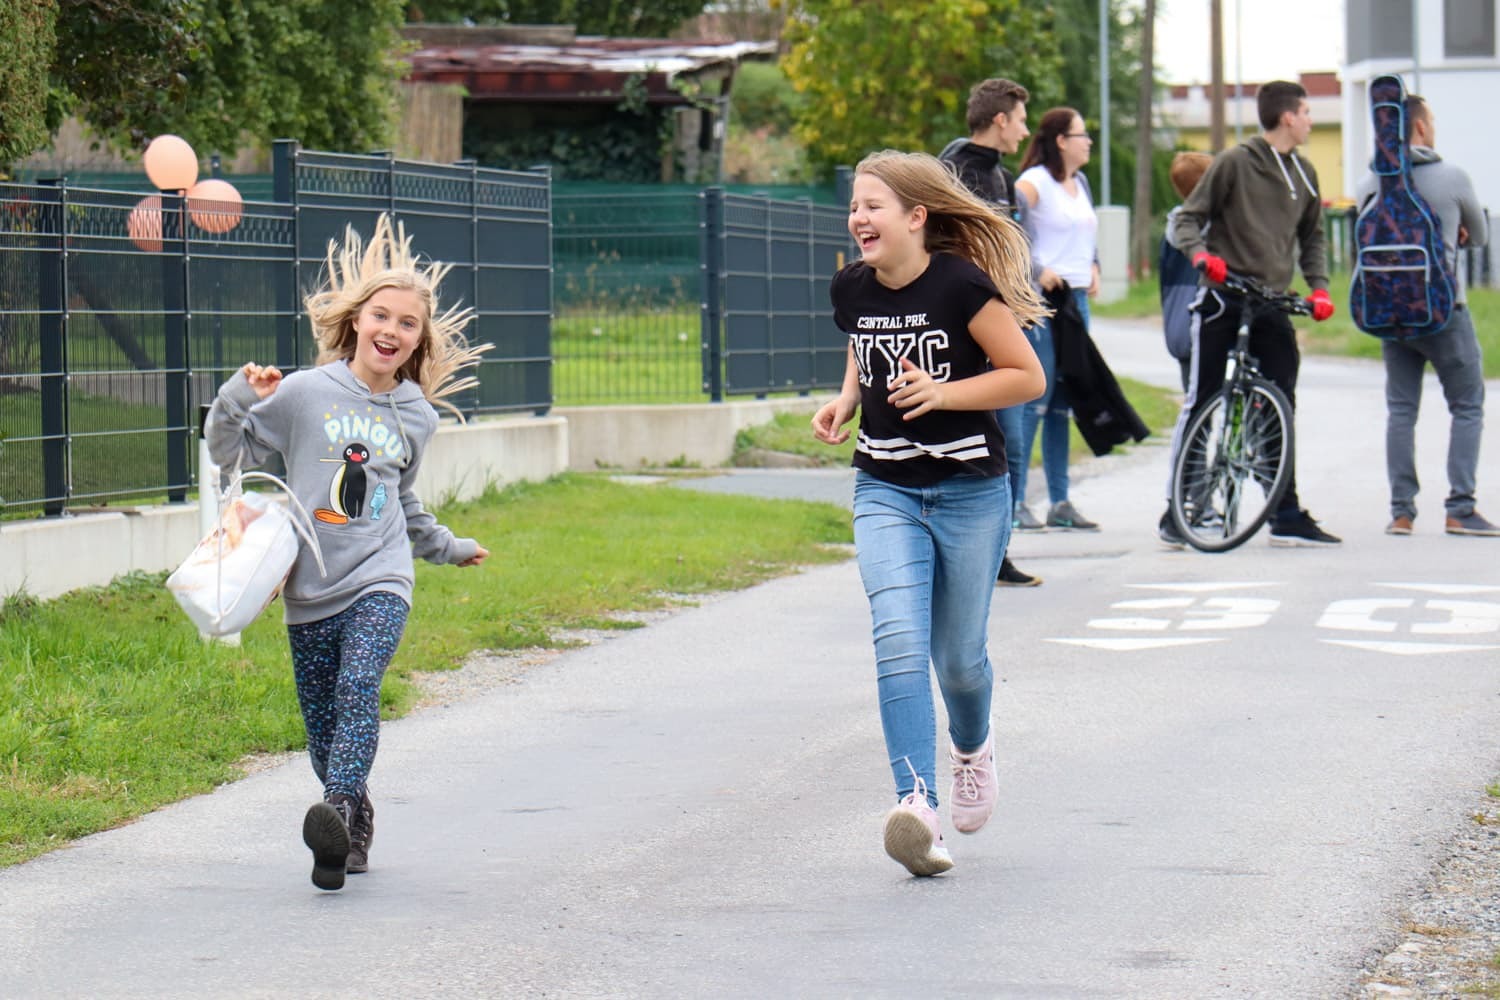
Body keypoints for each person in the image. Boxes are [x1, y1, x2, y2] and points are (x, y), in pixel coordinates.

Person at [207, 214, 491, 891]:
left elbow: (403, 500)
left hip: (380, 577)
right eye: (381, 316)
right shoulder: (304, 392)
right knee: (323, 728)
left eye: (407, 323)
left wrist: (446, 548)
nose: (392, 330)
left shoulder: (416, 415)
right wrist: (239, 395)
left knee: (358, 687)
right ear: (357, 321)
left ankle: (335, 808)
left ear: (419, 339)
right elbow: (226, 452)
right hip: (308, 587)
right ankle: (349, 829)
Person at [811, 150, 1046, 877]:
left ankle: (972, 749)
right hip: (885, 486)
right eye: (855, 206)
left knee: (960, 661)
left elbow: (1026, 377)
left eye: (873, 206)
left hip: (970, 491)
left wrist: (945, 394)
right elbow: (863, 340)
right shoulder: (851, 286)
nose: (858, 218)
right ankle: (917, 806)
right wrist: (849, 396)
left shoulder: (960, 286)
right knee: (898, 640)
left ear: (916, 217)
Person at [1163, 80, 1340, 548]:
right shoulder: (1235, 163)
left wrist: (1319, 288)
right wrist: (1202, 257)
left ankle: (1285, 512)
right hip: (1224, 296)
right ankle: (1176, 509)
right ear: (1287, 117)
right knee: (1202, 398)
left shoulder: (1304, 173)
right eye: (1306, 112)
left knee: (1281, 402)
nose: (1309, 121)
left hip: (1272, 301)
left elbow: (1313, 237)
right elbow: (1187, 218)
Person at [1353, 95, 1497, 537]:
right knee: (1467, 406)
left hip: (1389, 312)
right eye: (1430, 120)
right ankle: (1460, 508)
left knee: (1401, 410)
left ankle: (1401, 512)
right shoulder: (1452, 177)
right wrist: (1458, 230)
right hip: (1443, 310)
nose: (1433, 127)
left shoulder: (1370, 182)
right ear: (1418, 127)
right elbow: (1480, 236)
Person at [939, 76, 1044, 587]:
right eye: (1020, 120)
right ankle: (963, 554)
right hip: (965, 332)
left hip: (1006, 326)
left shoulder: (1001, 176)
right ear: (1000, 119)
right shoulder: (953, 170)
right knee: (974, 443)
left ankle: (996, 554)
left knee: (1012, 444)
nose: (1024, 131)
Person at [1007, 107, 1103, 533]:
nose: (1089, 142)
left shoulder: (1080, 183)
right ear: (1062, 141)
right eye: (1082, 135)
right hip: (1045, 302)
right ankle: (1016, 500)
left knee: (1064, 402)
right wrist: (1035, 268)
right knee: (1036, 397)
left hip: (1076, 303)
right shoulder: (1034, 183)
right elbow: (1007, 224)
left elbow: (1085, 233)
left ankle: (1060, 501)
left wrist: (1095, 264)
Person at [1160, 152, 1215, 392]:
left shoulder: (1172, 229)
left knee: (1194, 396)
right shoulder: (1212, 228)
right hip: (1208, 322)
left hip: (1180, 325)